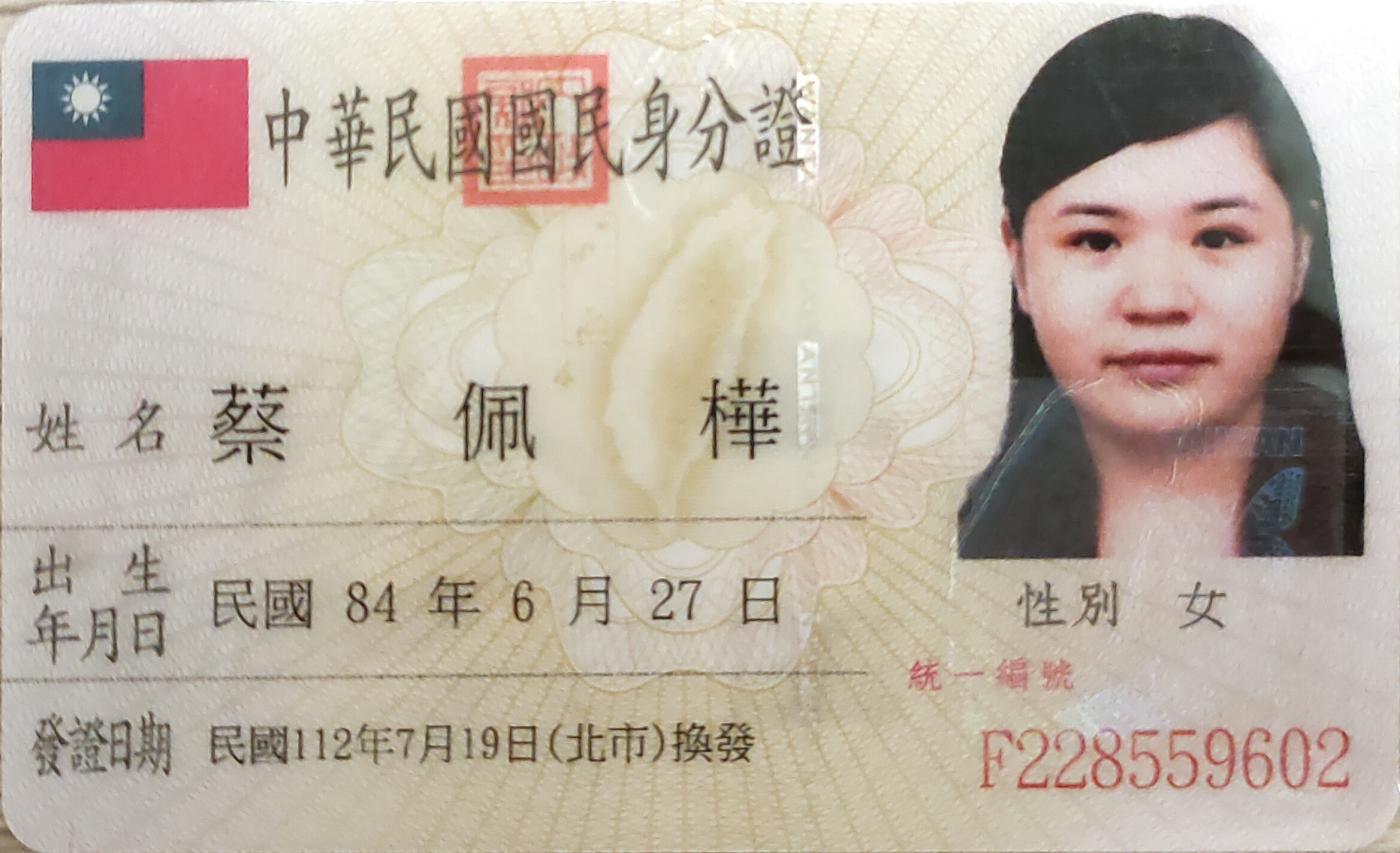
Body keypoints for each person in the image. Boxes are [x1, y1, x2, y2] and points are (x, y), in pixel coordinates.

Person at [957, 12, 1365, 559]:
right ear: (1020, 264)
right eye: (1096, 241)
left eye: (1218, 237)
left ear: (1300, 256)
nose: (1157, 301)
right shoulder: (948, 553)